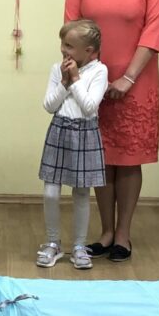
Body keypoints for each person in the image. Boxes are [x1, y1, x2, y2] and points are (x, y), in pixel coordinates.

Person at [63, 0, 159, 262]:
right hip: (91, 80)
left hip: (135, 79)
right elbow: (72, 26)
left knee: (127, 158)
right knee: (100, 156)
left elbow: (154, 30)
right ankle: (105, 232)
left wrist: (127, 77)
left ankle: (123, 234)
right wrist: (77, 74)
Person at [37, 20, 108, 270]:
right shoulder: (57, 70)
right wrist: (64, 82)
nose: (63, 49)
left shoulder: (100, 71)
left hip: (85, 134)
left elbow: (89, 107)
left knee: (81, 193)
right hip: (59, 130)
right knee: (50, 192)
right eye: (62, 43)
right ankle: (53, 243)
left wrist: (76, 79)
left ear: (88, 51)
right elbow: (49, 105)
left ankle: (79, 246)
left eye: (69, 45)